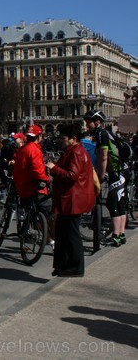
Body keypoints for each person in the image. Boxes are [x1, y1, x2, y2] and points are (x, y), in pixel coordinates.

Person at [46, 123, 95, 277]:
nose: (62, 141)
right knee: (62, 233)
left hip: (73, 199)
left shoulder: (77, 153)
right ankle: (63, 265)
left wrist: (54, 168)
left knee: (71, 234)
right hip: (69, 199)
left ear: (73, 139)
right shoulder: (74, 150)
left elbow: (72, 176)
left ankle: (75, 266)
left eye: (64, 138)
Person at [84, 109, 127, 246]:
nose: (87, 126)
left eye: (89, 123)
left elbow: (103, 156)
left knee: (112, 203)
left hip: (116, 172)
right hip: (120, 171)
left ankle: (116, 236)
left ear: (98, 122)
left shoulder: (101, 134)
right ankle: (121, 234)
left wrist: (101, 175)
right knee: (119, 203)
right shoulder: (106, 133)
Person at [12, 124, 51, 219]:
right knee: (49, 211)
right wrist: (47, 179)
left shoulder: (22, 149)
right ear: (39, 136)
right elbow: (38, 171)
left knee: (29, 213)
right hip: (34, 188)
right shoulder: (34, 150)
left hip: (22, 187)